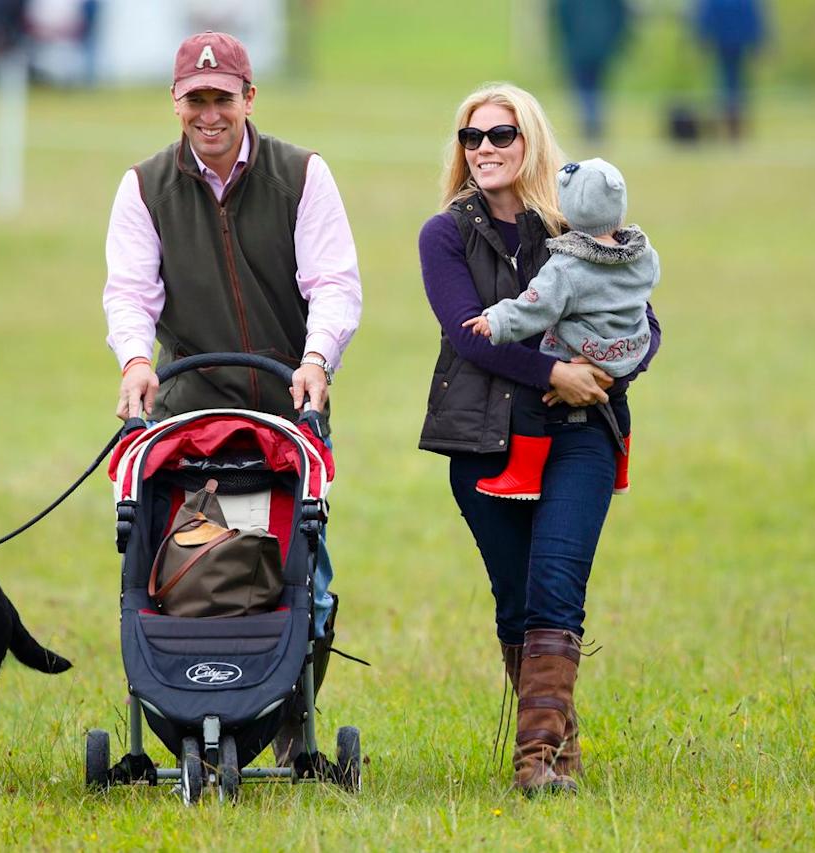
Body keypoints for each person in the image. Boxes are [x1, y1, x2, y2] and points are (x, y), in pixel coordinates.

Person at [101, 31, 362, 762]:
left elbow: (334, 284)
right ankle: (187, 709)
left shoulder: (301, 175)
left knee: (302, 575)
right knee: (186, 568)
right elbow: (129, 291)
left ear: (250, 98)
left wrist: (317, 359)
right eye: (195, 100)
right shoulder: (144, 186)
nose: (209, 114)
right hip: (191, 413)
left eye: (223, 98)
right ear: (175, 103)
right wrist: (133, 362)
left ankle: (288, 721)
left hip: (289, 407)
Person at [418, 83, 660, 795]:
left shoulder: (580, 227)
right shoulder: (446, 233)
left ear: (531, 143)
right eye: (472, 137)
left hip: (581, 432)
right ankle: (560, 752)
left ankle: (534, 766)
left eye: (501, 135)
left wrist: (604, 378)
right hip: (485, 438)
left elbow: (645, 322)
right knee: (516, 598)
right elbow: (471, 334)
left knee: (558, 585)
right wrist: (553, 367)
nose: (485, 149)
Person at [461, 157, 658, 499]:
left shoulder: (566, 266)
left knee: (528, 399)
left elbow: (534, 307)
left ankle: (524, 475)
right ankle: (621, 471)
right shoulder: (641, 253)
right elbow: (649, 286)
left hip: (579, 349)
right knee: (617, 399)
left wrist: (496, 320)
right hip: (628, 348)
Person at [550, 0, 632, 141]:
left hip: (578, 49)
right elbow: (622, 18)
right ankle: (593, 124)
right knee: (595, 88)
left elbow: (560, 19)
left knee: (585, 88)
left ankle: (590, 124)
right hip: (602, 48)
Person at [691, 0, 768, 141]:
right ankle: (731, 126)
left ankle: (728, 125)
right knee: (733, 86)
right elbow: (755, 17)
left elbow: (705, 15)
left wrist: (701, 39)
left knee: (727, 85)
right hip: (733, 42)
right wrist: (758, 42)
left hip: (725, 42)